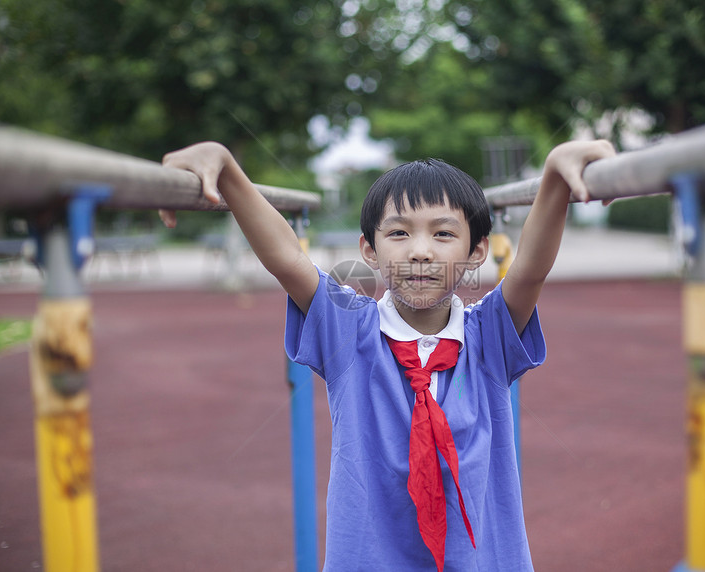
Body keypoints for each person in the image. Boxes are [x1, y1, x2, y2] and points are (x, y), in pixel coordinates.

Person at [159, 139, 615, 571]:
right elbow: (286, 259)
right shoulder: (350, 333)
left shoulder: (488, 336)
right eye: (398, 233)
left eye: (443, 234)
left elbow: (532, 268)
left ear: (476, 251)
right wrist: (226, 167)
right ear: (369, 250)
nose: (419, 251)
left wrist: (554, 173)